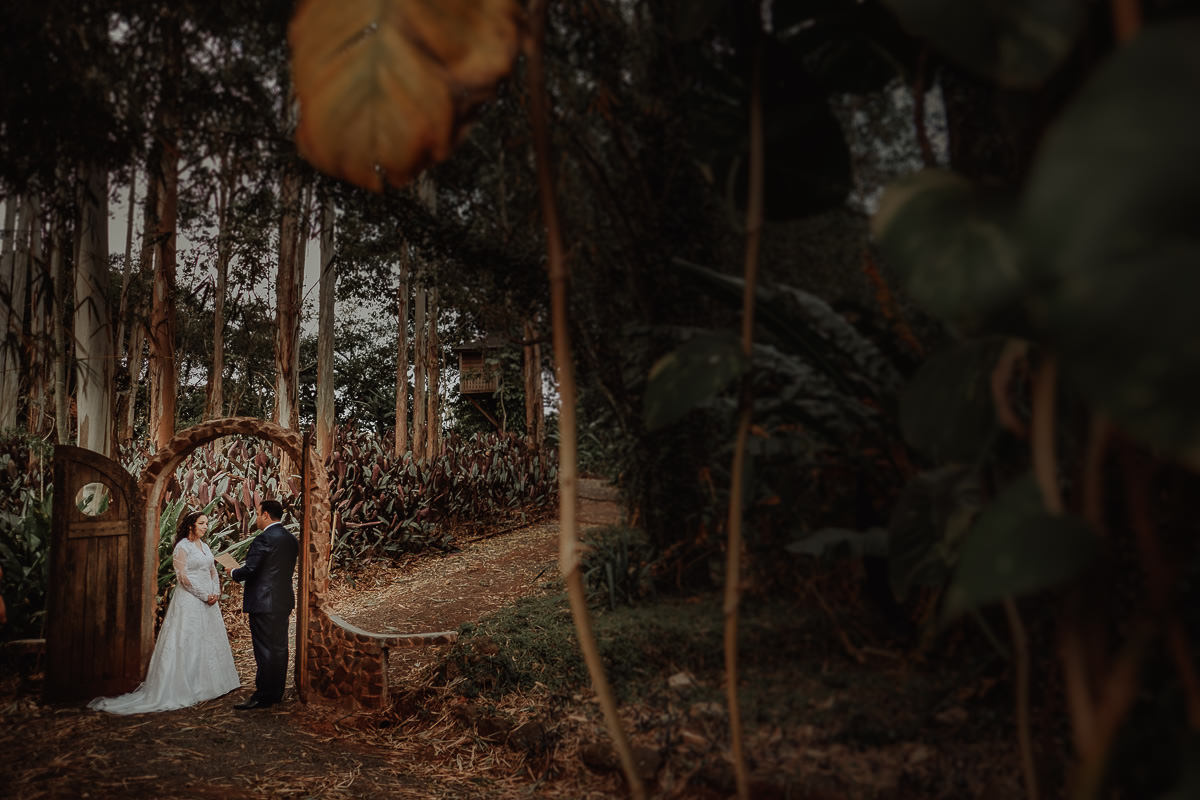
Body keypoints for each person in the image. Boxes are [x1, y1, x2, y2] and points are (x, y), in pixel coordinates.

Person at [89, 511, 240, 714]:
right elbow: (183, 578)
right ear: (190, 526)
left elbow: (212, 570)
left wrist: (216, 592)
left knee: (208, 639)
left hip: (210, 601)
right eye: (201, 523)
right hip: (191, 600)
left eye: (206, 523)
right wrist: (205, 595)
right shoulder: (182, 547)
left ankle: (213, 683)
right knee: (189, 640)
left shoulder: (204, 546)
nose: (206, 526)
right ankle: (188, 686)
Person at [230, 499, 299, 709]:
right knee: (279, 647)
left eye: (258, 514)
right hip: (283, 600)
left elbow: (250, 569)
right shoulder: (290, 539)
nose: (256, 518)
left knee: (264, 650)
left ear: (266, 515)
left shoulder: (264, 539)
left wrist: (233, 572)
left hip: (263, 603)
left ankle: (262, 695)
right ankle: (275, 692)